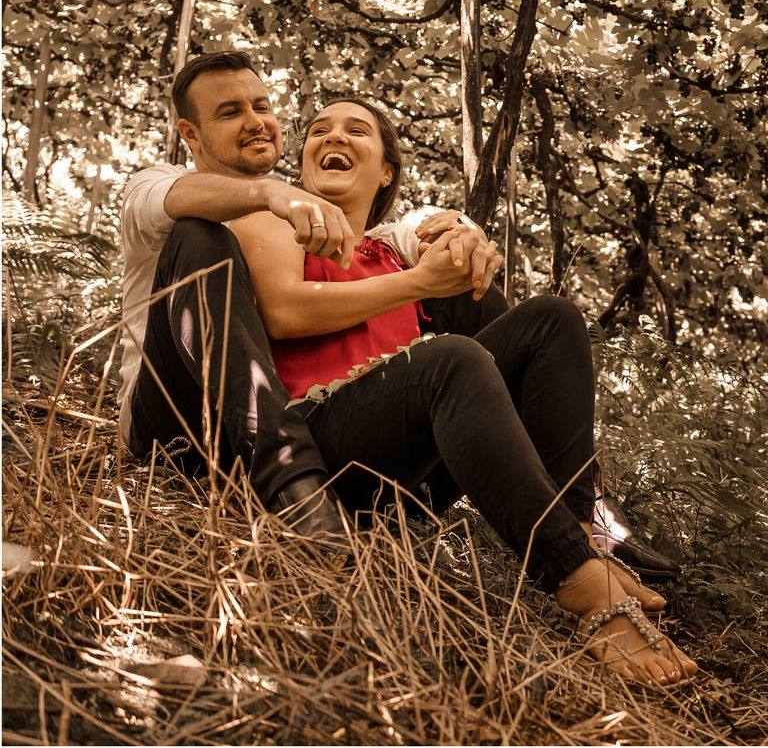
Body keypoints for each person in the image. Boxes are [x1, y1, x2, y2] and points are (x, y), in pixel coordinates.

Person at [117, 52, 695, 681]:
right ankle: (574, 579)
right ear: (191, 133)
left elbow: (417, 230)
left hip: (353, 458)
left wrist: (461, 232)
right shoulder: (174, 194)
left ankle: (579, 522)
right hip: (189, 431)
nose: (256, 120)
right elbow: (275, 299)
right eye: (230, 111)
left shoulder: (370, 237)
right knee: (200, 234)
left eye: (261, 105)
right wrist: (277, 194)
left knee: (544, 318)